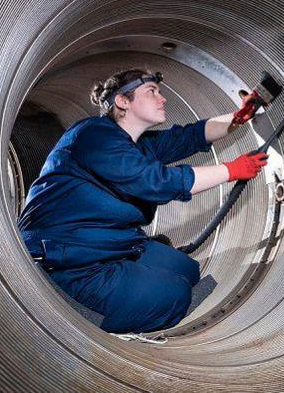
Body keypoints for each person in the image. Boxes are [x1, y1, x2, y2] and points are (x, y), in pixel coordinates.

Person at [17, 68, 267, 334]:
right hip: (69, 261)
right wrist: (231, 170)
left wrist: (237, 118)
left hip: (109, 245)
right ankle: (80, 316)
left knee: (188, 270)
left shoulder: (135, 144)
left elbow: (187, 137)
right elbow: (155, 181)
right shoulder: (94, 135)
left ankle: (134, 271)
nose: (163, 98)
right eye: (152, 92)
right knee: (177, 295)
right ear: (122, 101)